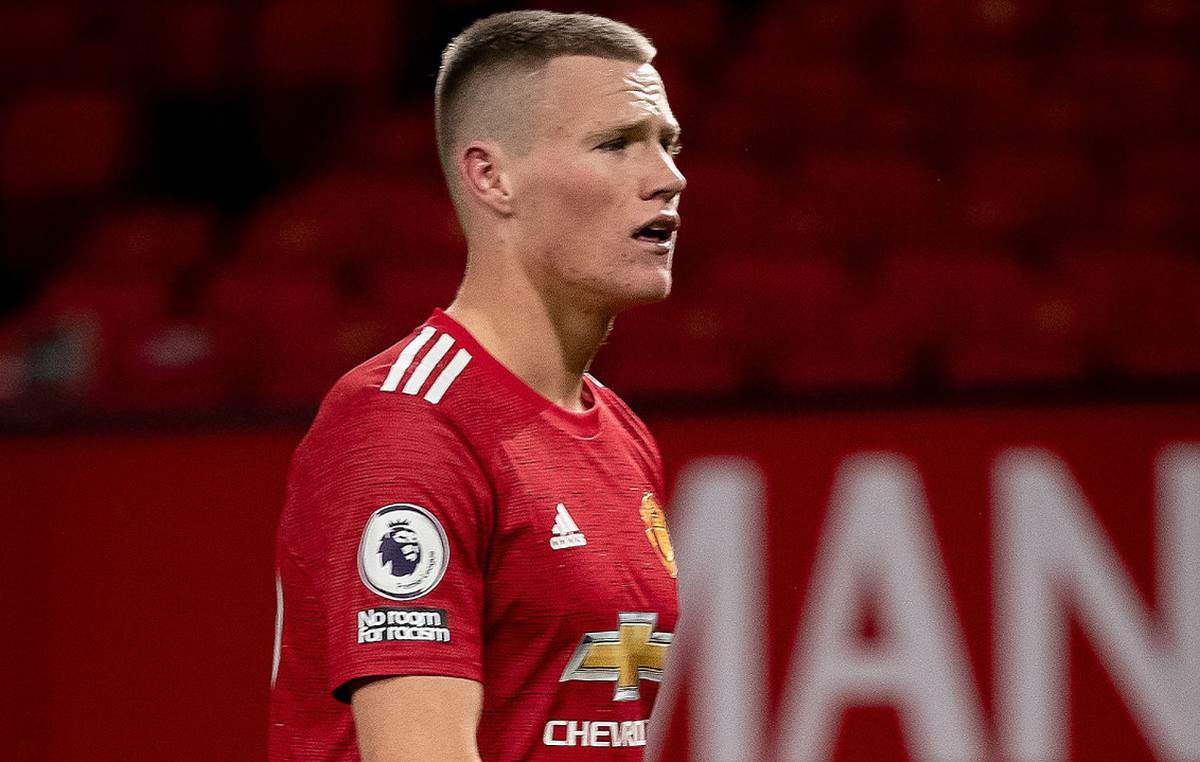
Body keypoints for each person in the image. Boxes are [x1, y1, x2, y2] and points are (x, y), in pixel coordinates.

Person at [269, 9, 686, 761]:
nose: (668, 177)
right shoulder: (405, 426)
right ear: (492, 177)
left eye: (667, 143)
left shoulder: (621, 433)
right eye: (617, 143)